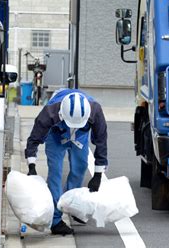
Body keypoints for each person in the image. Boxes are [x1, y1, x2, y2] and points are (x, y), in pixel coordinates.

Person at [24, 89, 108, 235]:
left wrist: (98, 175)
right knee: (55, 173)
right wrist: (31, 166)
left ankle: (72, 206)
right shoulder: (50, 112)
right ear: (62, 114)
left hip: (80, 136)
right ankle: (56, 221)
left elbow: (101, 142)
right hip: (56, 136)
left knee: (80, 166)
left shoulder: (95, 110)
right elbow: (34, 139)